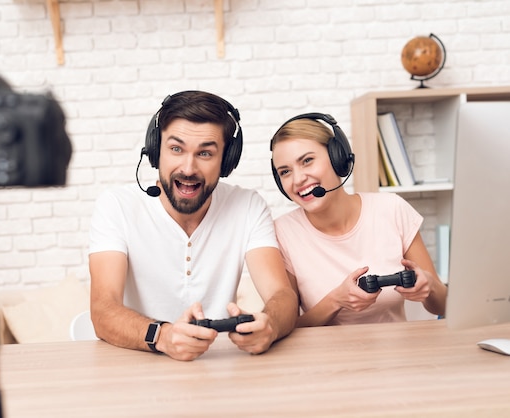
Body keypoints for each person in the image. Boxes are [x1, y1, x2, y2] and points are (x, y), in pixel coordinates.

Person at [88, 91, 297, 360]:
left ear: (227, 160)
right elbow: (103, 310)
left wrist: (271, 324)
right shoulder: (116, 206)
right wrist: (162, 336)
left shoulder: (248, 206)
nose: (188, 168)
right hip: (138, 367)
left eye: (205, 153)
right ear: (155, 151)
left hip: (220, 368)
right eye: (176, 149)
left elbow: (283, 295)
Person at [269, 113, 447, 327]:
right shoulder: (282, 233)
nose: (298, 179)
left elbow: (443, 306)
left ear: (338, 157)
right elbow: (288, 327)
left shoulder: (391, 209)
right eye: (285, 172)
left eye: (307, 161)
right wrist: (336, 300)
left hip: (397, 355)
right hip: (328, 358)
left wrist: (430, 287)